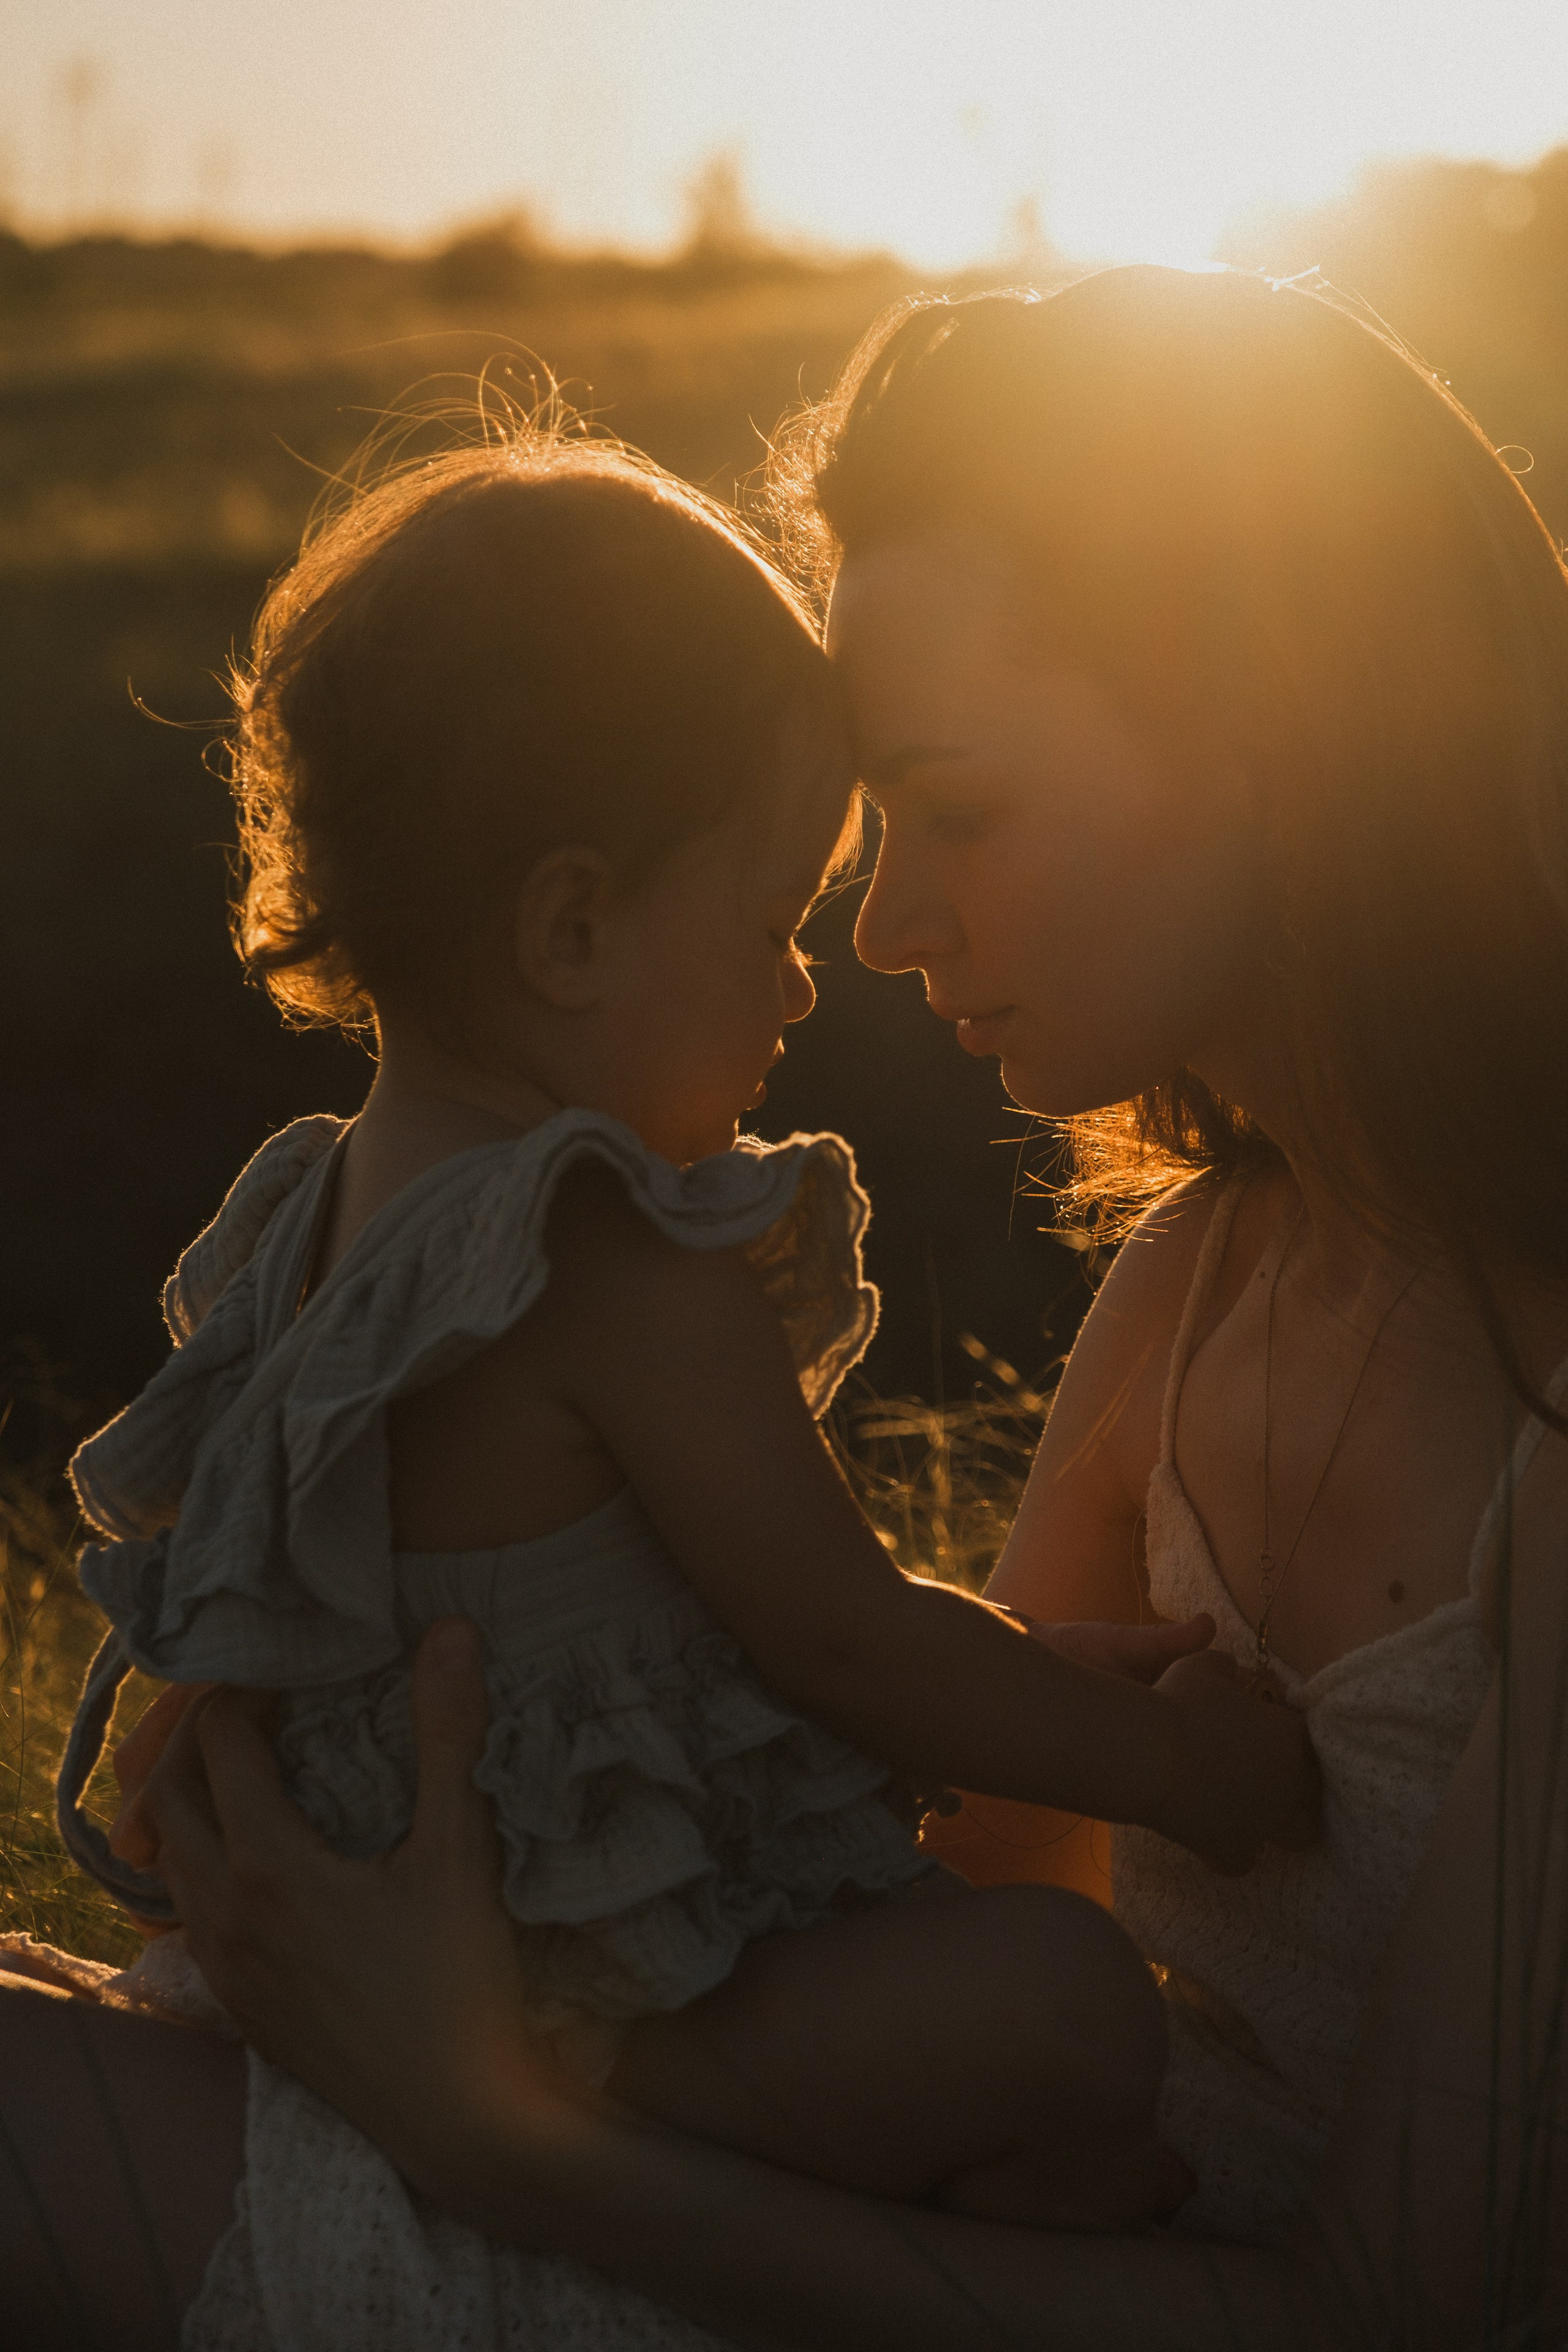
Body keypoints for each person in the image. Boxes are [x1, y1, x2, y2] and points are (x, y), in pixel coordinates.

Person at [6, 255, 1567, 2347]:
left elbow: (1405, 2308)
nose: (891, 922)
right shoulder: (1196, 1291)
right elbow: (915, 1873)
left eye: (962, 807)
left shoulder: (1539, 1437)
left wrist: (500, 2124)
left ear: (1284, 728)